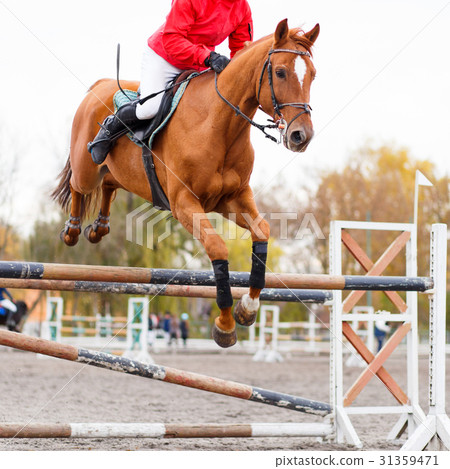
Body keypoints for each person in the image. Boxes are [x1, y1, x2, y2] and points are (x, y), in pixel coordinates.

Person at [88, 0, 253, 164]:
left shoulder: (242, 7)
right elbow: (172, 39)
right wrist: (207, 57)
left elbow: (240, 51)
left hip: (199, 63)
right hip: (165, 57)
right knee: (149, 108)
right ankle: (110, 128)